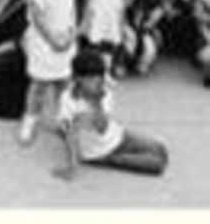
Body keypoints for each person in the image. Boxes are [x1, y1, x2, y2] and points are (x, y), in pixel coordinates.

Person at [53, 48, 168, 179]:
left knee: (160, 149)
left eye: (99, 77)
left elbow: (103, 127)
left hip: (118, 136)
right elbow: (70, 135)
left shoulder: (104, 92)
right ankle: (115, 159)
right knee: (157, 165)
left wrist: (96, 102)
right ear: (78, 78)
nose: (96, 82)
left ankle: (124, 153)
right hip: (99, 153)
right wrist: (72, 167)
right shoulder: (68, 99)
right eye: (90, 78)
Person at [19, 0, 78, 145]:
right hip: (44, 42)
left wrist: (71, 34)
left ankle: (62, 119)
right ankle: (30, 120)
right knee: (39, 85)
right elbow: (37, 17)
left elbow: (71, 11)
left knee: (64, 84)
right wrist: (53, 39)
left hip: (65, 41)